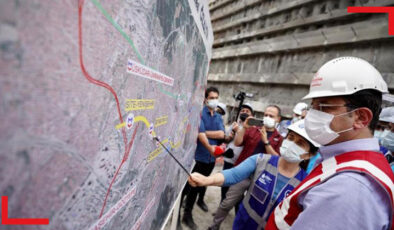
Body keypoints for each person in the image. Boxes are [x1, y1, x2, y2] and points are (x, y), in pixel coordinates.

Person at [266, 57, 394, 229]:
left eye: (324, 107)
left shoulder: (350, 189)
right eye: (313, 106)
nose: (312, 115)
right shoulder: (344, 162)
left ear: (361, 117)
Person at [189, 120, 319, 229]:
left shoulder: (306, 184)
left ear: (310, 154)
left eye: (300, 143)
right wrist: (207, 180)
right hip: (243, 225)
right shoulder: (260, 160)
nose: (292, 144)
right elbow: (233, 174)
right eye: (290, 138)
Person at [182, 86, 225, 229]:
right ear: (205, 99)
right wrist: (209, 140)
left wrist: (207, 133)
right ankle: (180, 214)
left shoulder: (219, 116)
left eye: (216, 98)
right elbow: (199, 134)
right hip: (198, 157)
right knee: (188, 187)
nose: (214, 100)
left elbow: (222, 135)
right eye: (211, 98)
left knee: (199, 186)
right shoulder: (199, 113)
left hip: (211, 160)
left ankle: (188, 213)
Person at [221, 103, 254, 201]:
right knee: (225, 183)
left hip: (242, 162)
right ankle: (222, 204)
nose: (244, 112)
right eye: (242, 111)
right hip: (229, 159)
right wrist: (232, 133)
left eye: (247, 111)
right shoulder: (234, 124)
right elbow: (226, 139)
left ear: (252, 115)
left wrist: (241, 130)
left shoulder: (252, 128)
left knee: (237, 188)